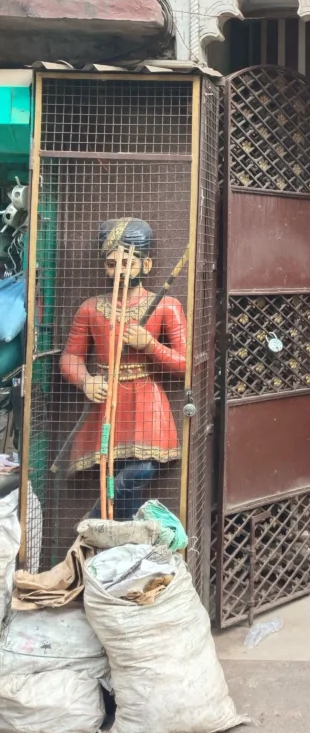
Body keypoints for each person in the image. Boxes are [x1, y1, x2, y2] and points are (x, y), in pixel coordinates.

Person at [56, 218, 186, 519]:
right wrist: (86, 381)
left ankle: (91, 526)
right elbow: (70, 357)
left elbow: (185, 364)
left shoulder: (165, 305)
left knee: (139, 471)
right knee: (111, 472)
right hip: (107, 402)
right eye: (112, 264)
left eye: (127, 263)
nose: (119, 272)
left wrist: (149, 345)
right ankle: (120, 538)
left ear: (146, 265)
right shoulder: (91, 307)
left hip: (147, 402)